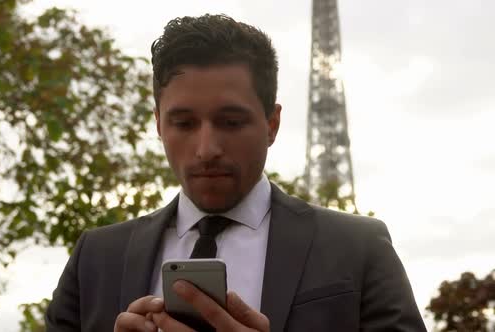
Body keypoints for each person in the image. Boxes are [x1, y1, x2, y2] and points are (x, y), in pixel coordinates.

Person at [45, 14, 426, 332]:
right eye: (184, 123)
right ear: (159, 124)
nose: (207, 148)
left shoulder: (357, 249)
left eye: (230, 121)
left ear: (272, 124)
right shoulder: (95, 259)